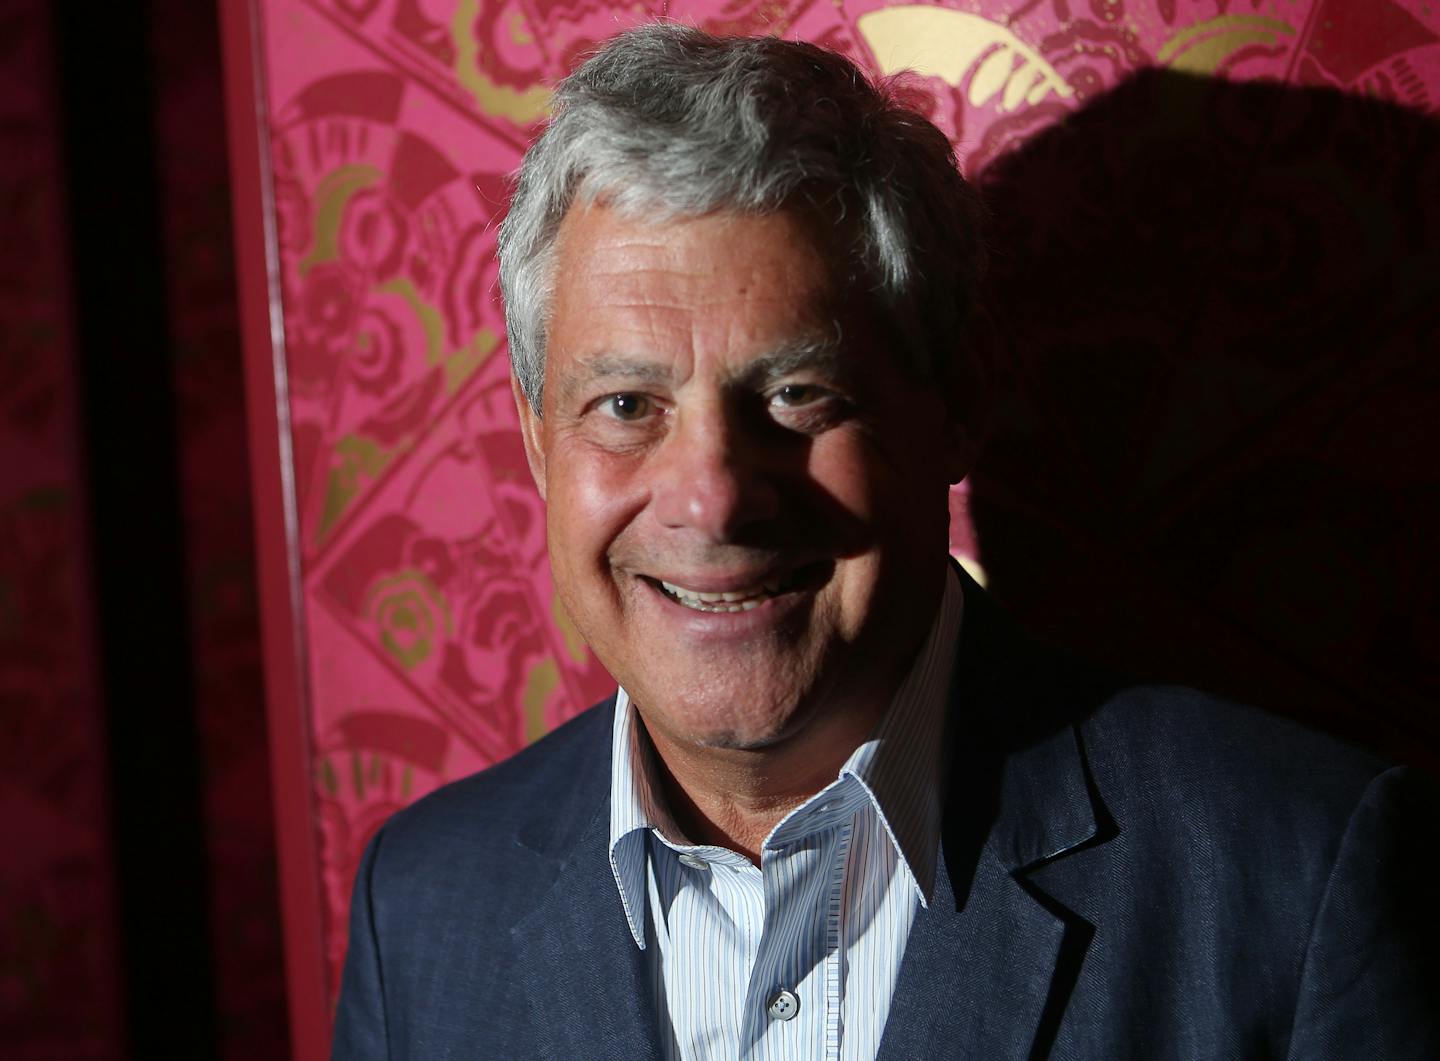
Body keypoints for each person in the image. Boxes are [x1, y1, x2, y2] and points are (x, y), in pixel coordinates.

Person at [331, 24, 1437, 1060]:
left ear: (956, 402)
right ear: (537, 444)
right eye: (626, 405)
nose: (713, 498)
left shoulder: (1295, 880)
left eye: (798, 393)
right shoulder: (420, 906)